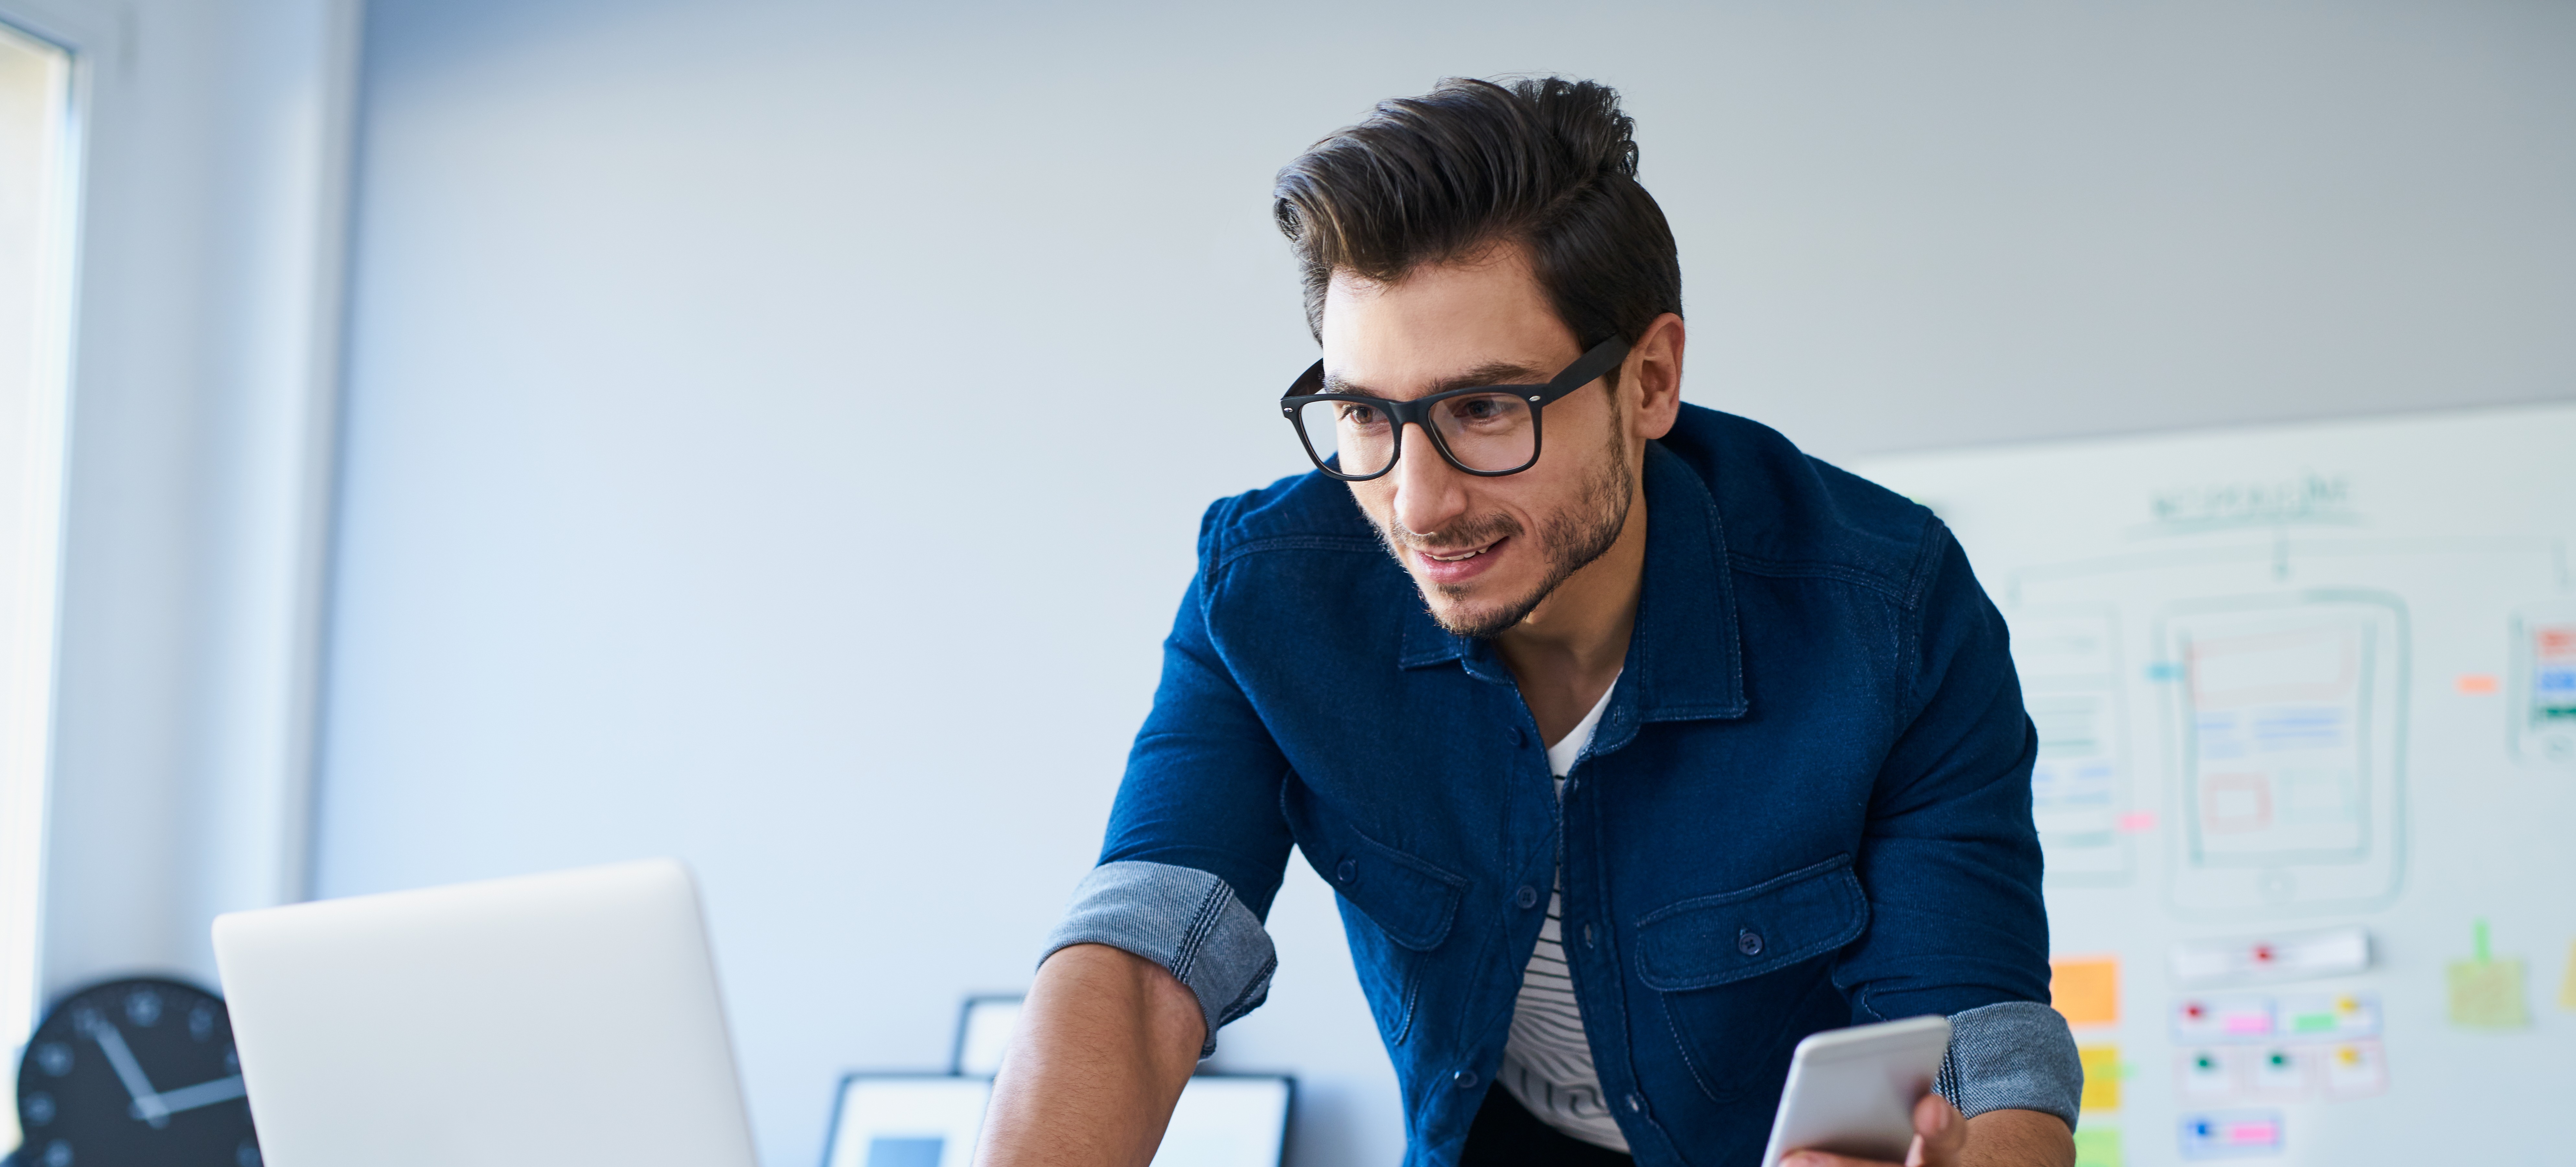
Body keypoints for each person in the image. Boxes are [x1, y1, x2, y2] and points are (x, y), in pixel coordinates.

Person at [976, 76, 2080, 1167]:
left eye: (1487, 408)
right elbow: (1139, 956)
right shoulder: (1269, 592)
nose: (1418, 505)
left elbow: (1979, 1053)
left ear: (1649, 381)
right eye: (1365, 413)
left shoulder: (1891, 611)